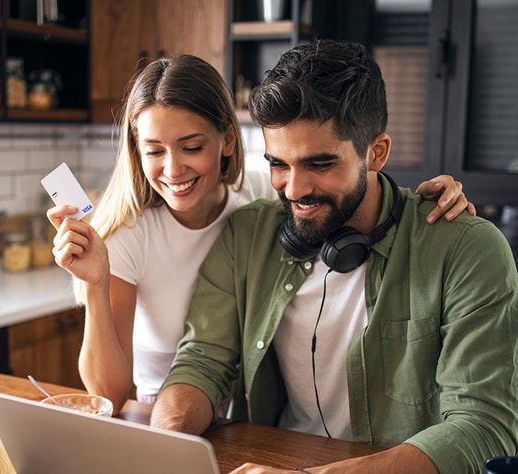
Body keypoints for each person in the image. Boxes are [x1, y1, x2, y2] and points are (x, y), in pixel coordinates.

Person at [150, 40, 518, 474]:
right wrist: (162, 444)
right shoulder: (249, 235)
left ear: (377, 151)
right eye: (279, 164)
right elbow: (203, 360)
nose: (295, 189)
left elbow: (483, 433)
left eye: (320, 164)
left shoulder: (465, 248)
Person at [48, 54, 475, 414]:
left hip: (246, 415)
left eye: (192, 147)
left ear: (227, 141)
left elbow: (333, 181)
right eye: (154, 151)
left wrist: (418, 204)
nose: (173, 170)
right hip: (168, 412)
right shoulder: (129, 236)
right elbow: (106, 395)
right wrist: (95, 285)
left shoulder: (258, 192)